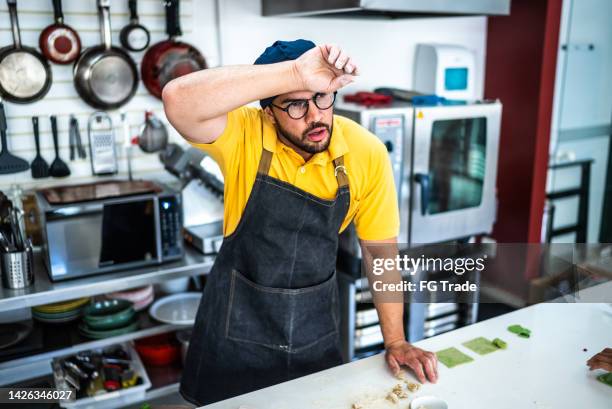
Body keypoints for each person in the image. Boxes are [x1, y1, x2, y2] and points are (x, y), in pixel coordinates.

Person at [162, 39, 438, 406]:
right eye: (295, 104)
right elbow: (177, 100)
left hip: (314, 336)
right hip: (233, 339)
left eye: (322, 97)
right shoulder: (245, 134)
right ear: (269, 111)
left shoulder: (365, 152)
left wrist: (397, 341)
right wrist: (294, 72)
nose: (315, 117)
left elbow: (380, 253)